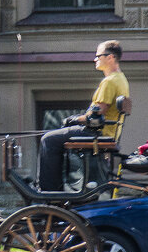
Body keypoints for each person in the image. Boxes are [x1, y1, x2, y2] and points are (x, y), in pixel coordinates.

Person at [37, 40, 129, 191]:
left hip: (96, 132)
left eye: (99, 56)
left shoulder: (110, 82)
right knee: (54, 138)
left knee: (48, 139)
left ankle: (49, 191)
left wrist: (72, 119)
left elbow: (95, 116)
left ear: (111, 57)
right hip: (107, 132)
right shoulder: (121, 79)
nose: (95, 59)